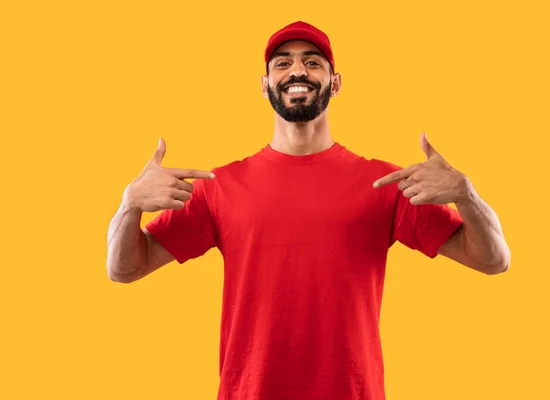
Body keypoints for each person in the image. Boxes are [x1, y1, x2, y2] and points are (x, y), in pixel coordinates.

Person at [106, 20, 510, 400]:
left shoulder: (385, 184)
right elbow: (125, 269)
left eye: (311, 62)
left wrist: (466, 195)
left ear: (334, 83)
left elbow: (492, 260)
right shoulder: (220, 187)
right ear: (265, 85)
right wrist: (129, 207)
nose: (297, 70)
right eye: (283, 63)